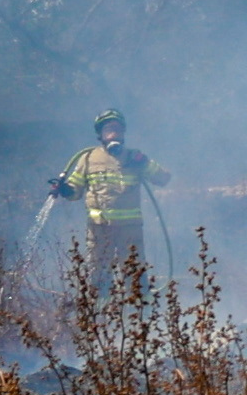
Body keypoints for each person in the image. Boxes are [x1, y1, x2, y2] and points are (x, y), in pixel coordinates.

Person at [37, 108, 166, 283]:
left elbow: (163, 178)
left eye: (118, 129)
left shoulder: (134, 157)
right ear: (100, 134)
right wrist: (65, 190)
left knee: (135, 277)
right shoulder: (88, 158)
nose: (114, 133)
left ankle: (139, 310)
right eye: (108, 129)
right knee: (98, 278)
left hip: (130, 230)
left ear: (123, 133)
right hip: (99, 230)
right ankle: (100, 308)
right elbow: (75, 192)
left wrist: (144, 163)